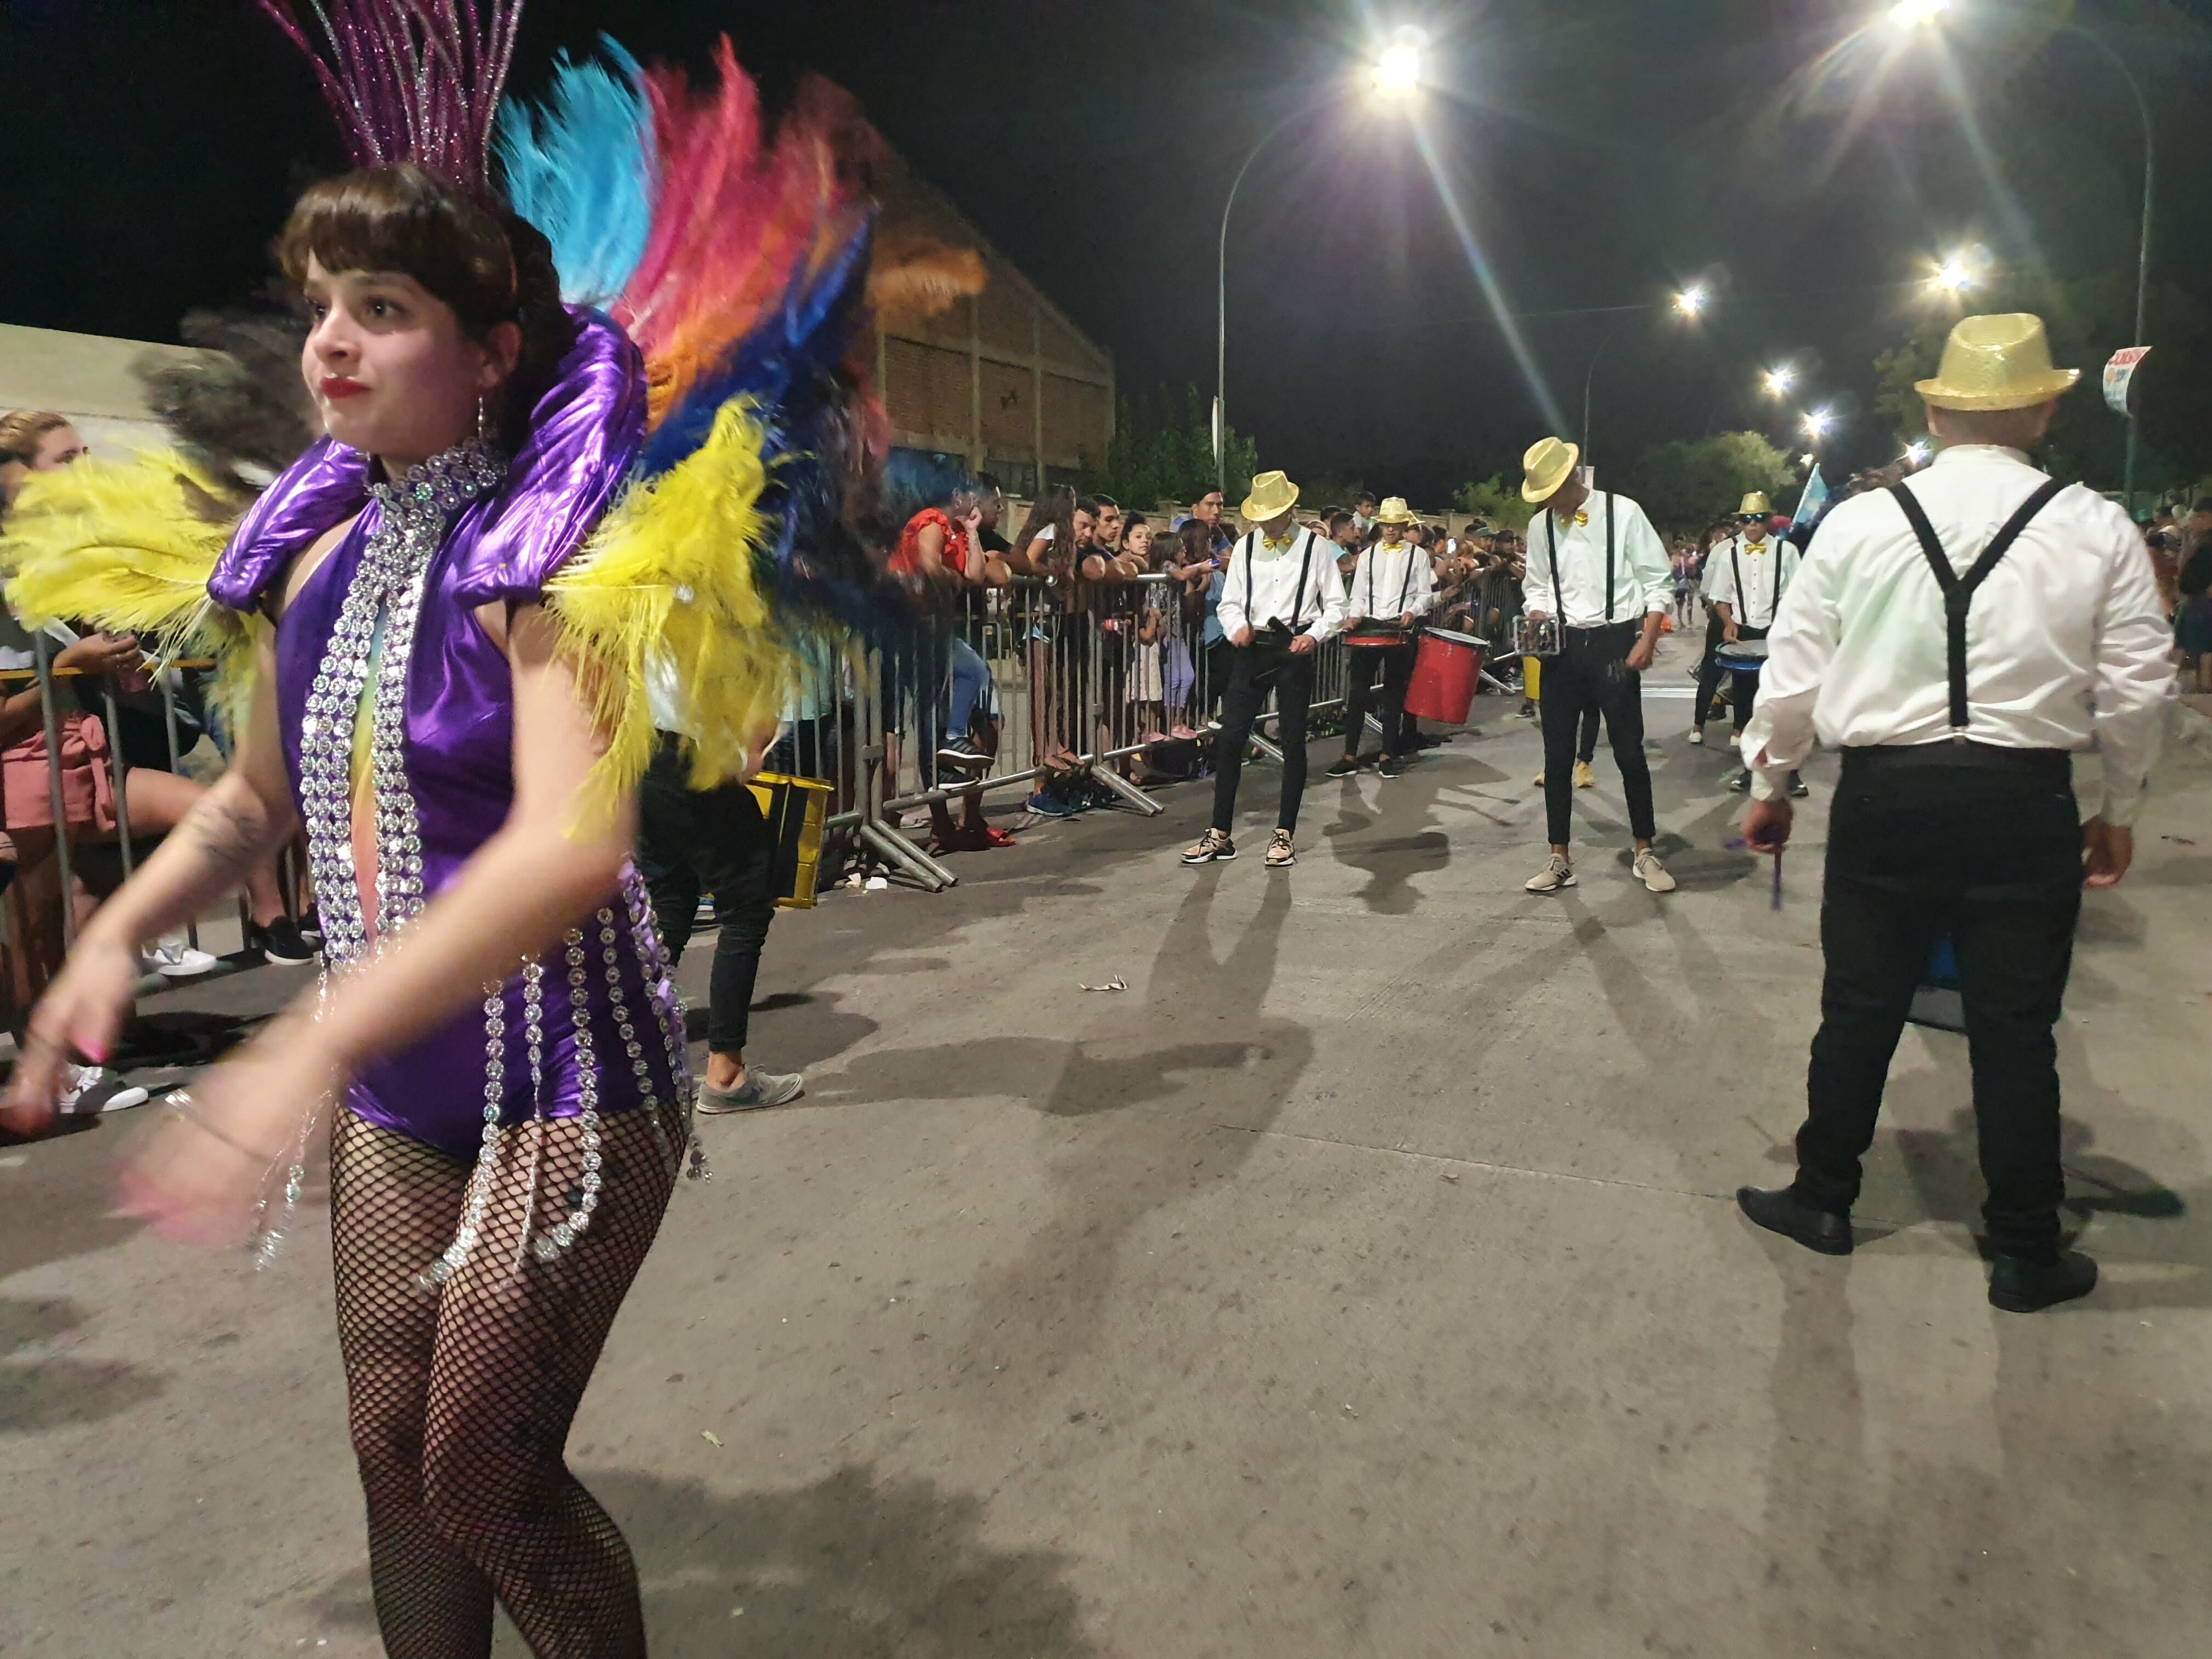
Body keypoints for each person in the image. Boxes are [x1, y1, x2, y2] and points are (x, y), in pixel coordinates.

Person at [2, 19, 882, 1643]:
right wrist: (114, 939)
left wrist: (285, 1053)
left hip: (569, 1085)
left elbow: (573, 849)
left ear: (489, 353)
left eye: (382, 310)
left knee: (485, 1477)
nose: (329, 344)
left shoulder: (561, 563)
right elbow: (256, 804)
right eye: (322, 305)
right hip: (404, 1091)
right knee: (389, 1461)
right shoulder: (310, 560)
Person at [1733, 313, 2175, 1313]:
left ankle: (1823, 1197)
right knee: (2015, 1027)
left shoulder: (1854, 523)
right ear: (2047, 409)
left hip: (1887, 797)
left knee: (1858, 1005)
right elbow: (2140, 687)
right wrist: (2117, 806)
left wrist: (1771, 784)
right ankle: (2022, 1246)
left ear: (1933, 408)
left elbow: (1792, 671)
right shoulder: (2095, 524)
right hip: (2024, 800)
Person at [1516, 437, 1676, 895]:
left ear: (1572, 479)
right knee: (1557, 756)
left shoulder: (1624, 512)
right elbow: (1537, 584)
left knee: (1629, 752)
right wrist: (1538, 612)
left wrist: (1646, 638)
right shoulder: (1540, 526)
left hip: (1614, 641)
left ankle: (1644, 850)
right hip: (1562, 648)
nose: (1548, 503)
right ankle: (1559, 857)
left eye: (1552, 492)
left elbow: (1656, 581)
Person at [1182, 470, 1346, 869]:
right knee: (1231, 736)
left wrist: (1316, 635)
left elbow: (1338, 606)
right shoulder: (1246, 546)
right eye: (1261, 515)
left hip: (1292, 647)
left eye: (1272, 514)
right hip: (1252, 649)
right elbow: (1231, 600)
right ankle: (1220, 833)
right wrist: (1236, 626)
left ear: (1288, 509)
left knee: (1292, 741)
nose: (1265, 522)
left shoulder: (1316, 548)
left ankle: (1284, 833)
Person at [1702, 493, 1807, 795]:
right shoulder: (1728, 556)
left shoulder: (1787, 552)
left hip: (1777, 634)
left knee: (1782, 706)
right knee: (1746, 706)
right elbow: (1720, 598)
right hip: (1745, 636)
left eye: (1758, 519)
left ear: (1769, 521)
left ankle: (1791, 773)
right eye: (1746, 519)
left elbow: (1798, 595)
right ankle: (1751, 769)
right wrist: (1729, 622)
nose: (1752, 525)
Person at [1330, 496, 1434, 778]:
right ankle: (1350, 754)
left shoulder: (1418, 556)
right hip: (1370, 627)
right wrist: (1354, 615)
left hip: (1399, 629)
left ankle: (1389, 752)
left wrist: (1412, 611)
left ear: (1403, 525)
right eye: (1385, 525)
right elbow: (1359, 595)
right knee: (1358, 694)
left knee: (1394, 693)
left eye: (1395, 525)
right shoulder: (1367, 556)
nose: (1390, 530)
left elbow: (1425, 595)